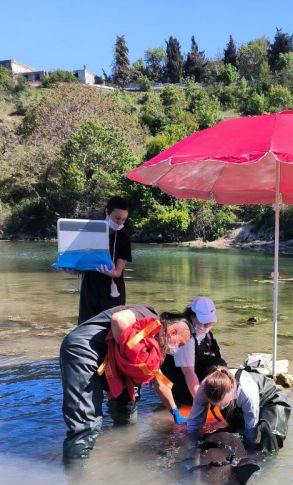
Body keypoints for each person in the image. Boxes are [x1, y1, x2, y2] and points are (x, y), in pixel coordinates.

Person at [60, 305, 193, 461]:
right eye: (181, 344)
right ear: (173, 332)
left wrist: (175, 413)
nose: (177, 349)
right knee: (87, 425)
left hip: (108, 360)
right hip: (84, 351)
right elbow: (119, 319)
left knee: (127, 410)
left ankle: (120, 459)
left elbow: (160, 381)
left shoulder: (154, 343)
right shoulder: (149, 317)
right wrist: (130, 359)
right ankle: (75, 478)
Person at [186, 365, 291, 453]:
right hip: (236, 404)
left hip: (269, 399)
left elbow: (251, 426)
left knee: (270, 433)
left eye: (223, 404)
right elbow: (194, 421)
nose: (221, 408)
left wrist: (249, 451)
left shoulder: (246, 392)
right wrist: (190, 446)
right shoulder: (204, 389)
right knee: (236, 433)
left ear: (232, 388)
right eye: (217, 406)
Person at [157, 296, 226, 424]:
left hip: (194, 365)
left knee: (219, 365)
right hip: (176, 373)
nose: (206, 326)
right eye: (203, 322)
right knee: (192, 399)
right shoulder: (185, 335)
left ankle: (213, 394)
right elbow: (188, 372)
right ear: (193, 316)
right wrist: (201, 403)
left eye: (209, 322)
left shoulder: (205, 331)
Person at [77, 196, 132, 324]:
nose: (120, 223)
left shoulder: (123, 238)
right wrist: (70, 269)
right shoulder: (90, 232)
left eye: (123, 219)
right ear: (107, 212)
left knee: (110, 329)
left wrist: (111, 272)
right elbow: (81, 264)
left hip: (113, 290)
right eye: (117, 218)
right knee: (85, 327)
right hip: (90, 288)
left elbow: (118, 272)